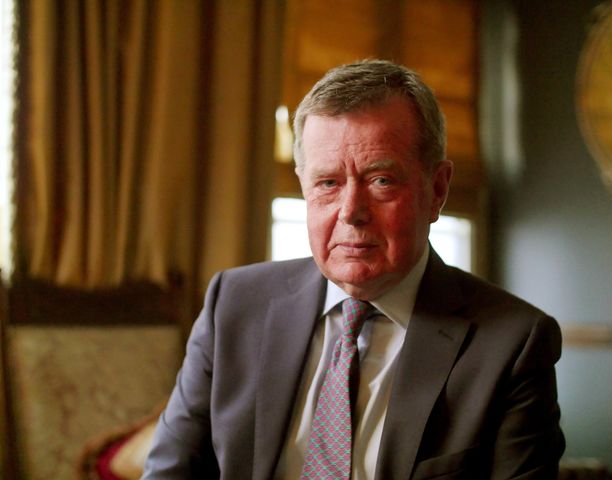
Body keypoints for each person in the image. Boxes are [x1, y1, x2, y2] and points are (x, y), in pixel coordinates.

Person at [142, 59, 565, 479]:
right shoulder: (234, 304)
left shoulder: (511, 344)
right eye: (328, 183)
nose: (351, 212)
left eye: (381, 180)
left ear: (437, 190)